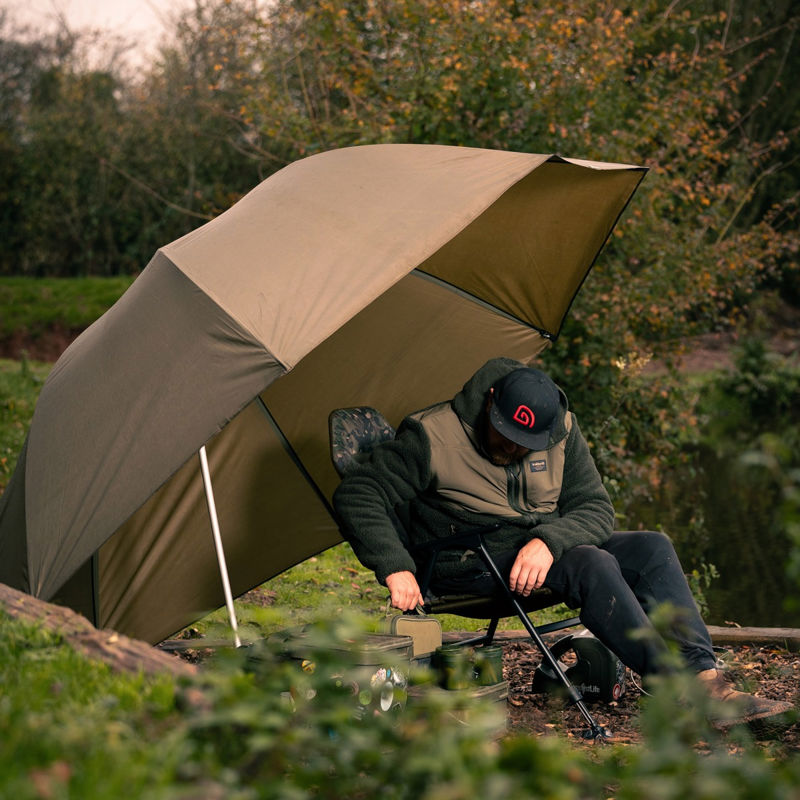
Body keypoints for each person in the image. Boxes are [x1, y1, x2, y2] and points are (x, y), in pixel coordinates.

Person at [333, 356, 792, 724]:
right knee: (591, 562)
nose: (512, 449)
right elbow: (359, 492)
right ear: (490, 402)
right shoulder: (431, 434)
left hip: (538, 553)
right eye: (505, 435)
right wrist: (395, 565)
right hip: (466, 563)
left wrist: (549, 540)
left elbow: (594, 508)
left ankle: (706, 678)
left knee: (651, 546)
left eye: (524, 443)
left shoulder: (562, 433)